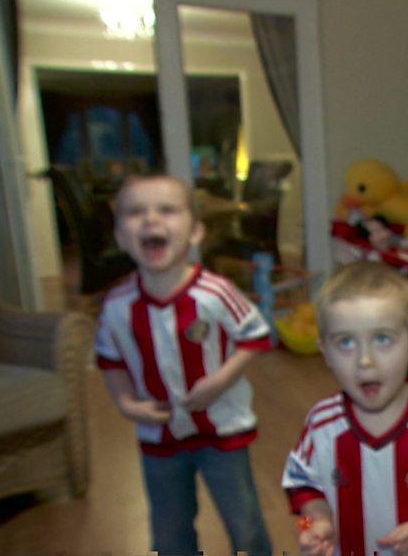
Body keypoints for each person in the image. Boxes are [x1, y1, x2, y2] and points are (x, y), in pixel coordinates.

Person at [95, 174, 273, 555]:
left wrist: (221, 380)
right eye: (136, 212)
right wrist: (126, 403)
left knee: (244, 523)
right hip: (158, 437)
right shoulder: (116, 306)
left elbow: (255, 335)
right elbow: (110, 361)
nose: (151, 220)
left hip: (223, 430)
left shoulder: (216, 293)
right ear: (121, 237)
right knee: (169, 531)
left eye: (167, 210)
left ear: (195, 232)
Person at [282, 261, 408, 555]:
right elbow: (300, 490)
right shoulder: (321, 424)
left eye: (382, 339)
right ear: (325, 352)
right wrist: (314, 524)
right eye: (346, 342)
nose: (365, 360)